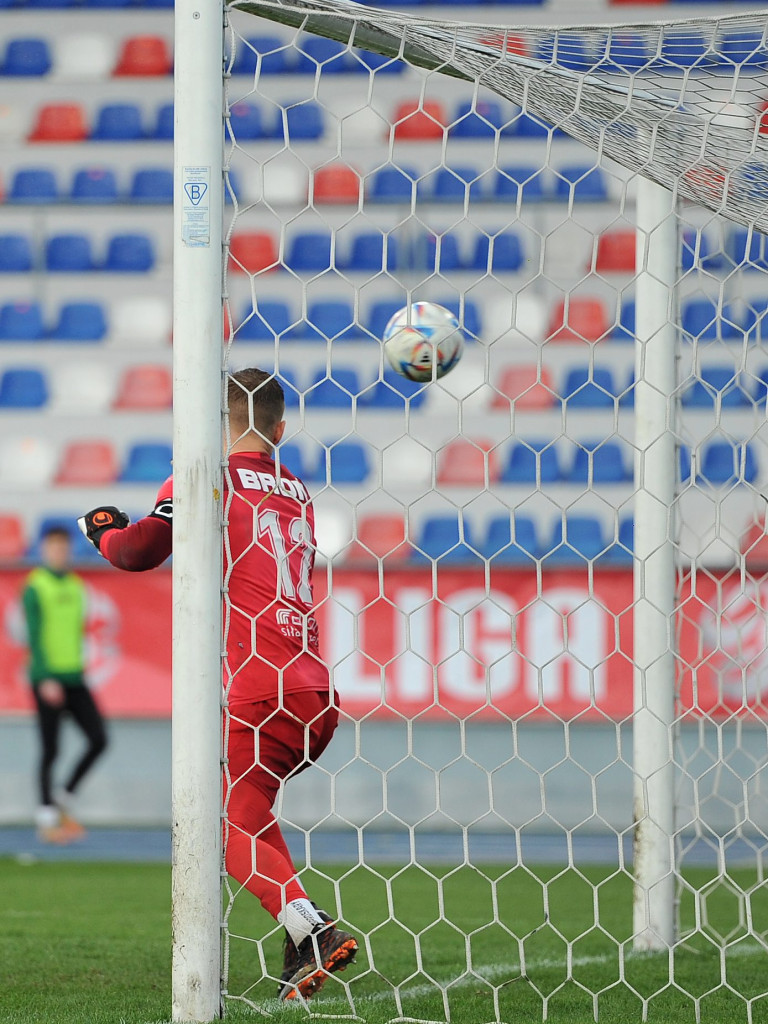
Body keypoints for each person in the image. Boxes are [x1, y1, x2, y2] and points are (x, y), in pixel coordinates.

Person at [79, 367, 358, 1002]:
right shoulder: (296, 489)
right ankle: (302, 936)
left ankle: (309, 929)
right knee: (249, 812)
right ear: (280, 429)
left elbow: (137, 551)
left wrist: (101, 529)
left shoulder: (211, 474)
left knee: (216, 825)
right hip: (314, 691)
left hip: (255, 684)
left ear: (215, 425)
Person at [22, 524, 108, 844]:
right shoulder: (36, 586)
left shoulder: (76, 586)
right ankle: (46, 819)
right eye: (52, 546)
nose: (58, 552)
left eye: (63, 546)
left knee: (98, 739)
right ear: (43, 549)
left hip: (74, 676)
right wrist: (45, 677)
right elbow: (33, 634)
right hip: (48, 679)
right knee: (51, 748)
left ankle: (63, 798)